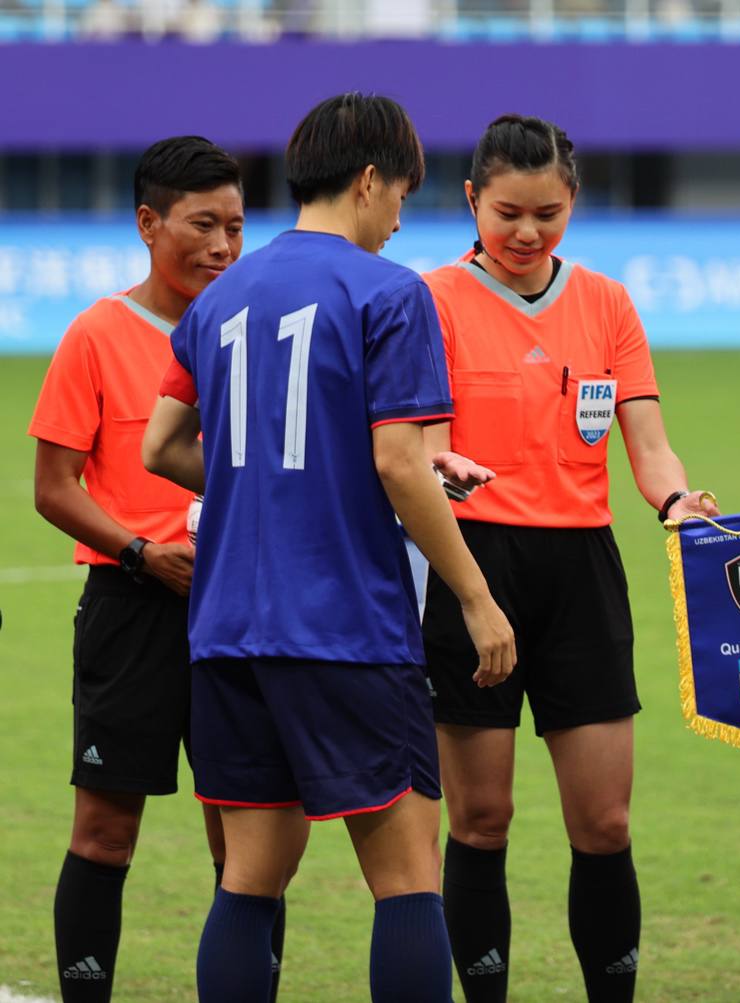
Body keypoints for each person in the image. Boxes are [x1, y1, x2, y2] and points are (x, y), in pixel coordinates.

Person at [140, 92, 516, 1002]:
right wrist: (476, 597)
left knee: (249, 878)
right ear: (369, 179)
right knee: (408, 877)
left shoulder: (221, 296)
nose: (400, 221)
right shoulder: (390, 291)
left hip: (227, 630)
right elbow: (398, 461)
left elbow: (160, 446)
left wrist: (283, 480)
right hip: (346, 627)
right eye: (403, 197)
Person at [418, 113, 715, 1003]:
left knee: (605, 822)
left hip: (583, 575)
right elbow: (422, 448)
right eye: (507, 212)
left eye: (547, 214)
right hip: (472, 569)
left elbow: (648, 444)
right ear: (471, 200)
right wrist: (444, 469)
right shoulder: (430, 300)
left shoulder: (608, 303)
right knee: (481, 820)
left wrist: (675, 500)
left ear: (573, 202)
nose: (527, 232)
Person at [25, 136, 283, 1003]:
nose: (223, 245)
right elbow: (52, 487)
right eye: (203, 225)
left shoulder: (256, 333)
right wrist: (138, 550)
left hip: (241, 606)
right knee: (105, 833)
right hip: (131, 606)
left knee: (245, 845)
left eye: (236, 227)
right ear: (148, 222)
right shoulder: (96, 334)